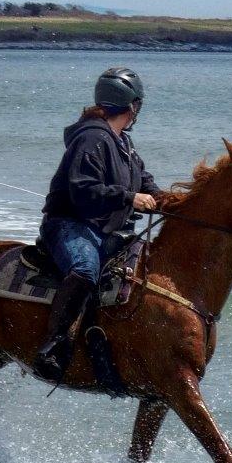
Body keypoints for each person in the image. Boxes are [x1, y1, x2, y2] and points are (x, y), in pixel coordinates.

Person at [33, 67, 161, 380]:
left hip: (106, 230)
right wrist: (130, 198)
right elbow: (83, 190)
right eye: (138, 105)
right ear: (132, 106)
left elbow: (145, 182)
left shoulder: (123, 143)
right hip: (70, 225)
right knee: (85, 269)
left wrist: (171, 201)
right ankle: (53, 346)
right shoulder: (91, 138)